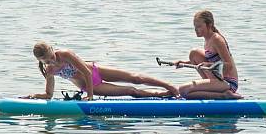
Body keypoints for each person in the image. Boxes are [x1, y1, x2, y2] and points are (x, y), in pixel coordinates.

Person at [23, 41, 179, 100]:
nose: (52, 61)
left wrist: (89, 96)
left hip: (94, 72)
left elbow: (87, 72)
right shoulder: (49, 70)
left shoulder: (65, 54)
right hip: (91, 86)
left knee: (135, 77)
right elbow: (49, 95)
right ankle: (165, 95)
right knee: (132, 91)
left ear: (52, 48)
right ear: (41, 61)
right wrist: (33, 96)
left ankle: (170, 86)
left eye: (51, 56)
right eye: (47, 61)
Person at [174, 10, 241, 99]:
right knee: (194, 53)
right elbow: (206, 62)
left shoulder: (217, 39)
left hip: (228, 82)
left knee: (183, 90)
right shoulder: (207, 39)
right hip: (218, 79)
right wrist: (183, 63)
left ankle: (224, 95)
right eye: (195, 26)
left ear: (209, 25)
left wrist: (209, 65)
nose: (195, 29)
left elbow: (229, 66)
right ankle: (207, 88)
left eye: (199, 26)